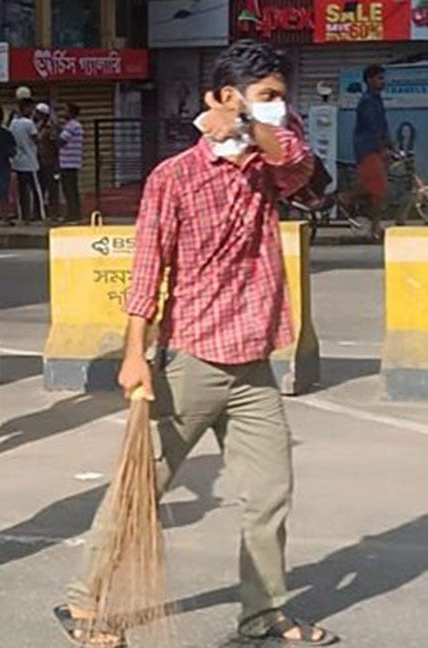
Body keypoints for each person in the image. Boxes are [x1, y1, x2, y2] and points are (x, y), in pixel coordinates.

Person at [55, 40, 339, 647]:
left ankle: (263, 613)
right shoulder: (174, 178)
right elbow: (147, 270)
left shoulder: (270, 168)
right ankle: (85, 604)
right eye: (266, 98)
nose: (277, 110)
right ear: (219, 96)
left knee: (269, 494)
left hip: (254, 362)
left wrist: (251, 123)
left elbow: (301, 167)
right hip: (189, 359)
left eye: (281, 99)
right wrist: (135, 354)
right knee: (141, 487)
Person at [344, 64, 393, 238]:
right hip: (367, 150)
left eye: (383, 78)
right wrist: (382, 148)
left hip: (377, 149)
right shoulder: (367, 101)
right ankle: (346, 197)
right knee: (376, 187)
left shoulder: (377, 99)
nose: (383, 82)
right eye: (379, 78)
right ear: (369, 80)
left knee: (376, 190)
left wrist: (391, 145)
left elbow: (383, 126)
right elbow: (373, 128)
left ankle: (374, 226)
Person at [10, 98, 45, 223]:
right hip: (30, 162)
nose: (32, 111)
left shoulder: (13, 123)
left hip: (18, 162)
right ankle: (39, 214)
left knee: (22, 190)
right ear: (25, 108)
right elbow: (36, 139)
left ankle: (23, 215)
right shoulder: (29, 124)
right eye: (31, 108)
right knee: (36, 189)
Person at [35, 102, 61, 222]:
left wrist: (57, 163)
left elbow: (56, 145)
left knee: (53, 190)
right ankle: (38, 213)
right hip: (39, 162)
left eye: (38, 113)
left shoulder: (51, 128)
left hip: (50, 162)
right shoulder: (38, 126)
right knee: (40, 188)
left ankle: (54, 213)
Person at [57, 103, 83, 222]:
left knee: (69, 190)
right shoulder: (75, 125)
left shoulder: (72, 126)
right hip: (71, 162)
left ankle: (72, 214)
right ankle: (75, 213)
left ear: (71, 113)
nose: (64, 113)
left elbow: (61, 141)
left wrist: (56, 132)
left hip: (68, 163)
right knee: (71, 189)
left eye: (66, 111)